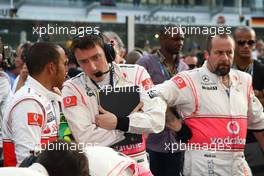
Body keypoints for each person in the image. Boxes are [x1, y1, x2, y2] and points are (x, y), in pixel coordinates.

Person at [151, 34, 264, 175]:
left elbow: (259, 123)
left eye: (229, 52)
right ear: (207, 55)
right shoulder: (189, 79)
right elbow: (153, 94)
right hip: (203, 165)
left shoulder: (244, 80)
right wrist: (176, 125)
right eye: (218, 53)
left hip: (238, 164)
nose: (225, 58)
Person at [61, 34, 167, 171]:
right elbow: (86, 140)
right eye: (83, 62)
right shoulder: (72, 88)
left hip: (138, 166)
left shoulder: (137, 74)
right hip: (101, 168)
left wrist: (119, 122)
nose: (92, 67)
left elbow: (157, 121)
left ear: (108, 53)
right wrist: (132, 125)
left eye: (96, 57)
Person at [2, 42, 68, 166]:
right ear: (52, 68)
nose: (67, 70)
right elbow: (27, 163)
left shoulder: (48, 97)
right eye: (64, 64)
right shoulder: (29, 102)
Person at [136, 24, 188, 176]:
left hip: (178, 142)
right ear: (163, 39)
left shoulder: (184, 68)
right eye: (176, 38)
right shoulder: (144, 64)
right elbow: (139, 97)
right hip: (152, 141)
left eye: (182, 38)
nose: (180, 42)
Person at [233, 26, 264, 174]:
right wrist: (256, 97)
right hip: (227, 138)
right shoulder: (223, 68)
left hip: (255, 139)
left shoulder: (261, 70)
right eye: (241, 42)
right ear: (233, 43)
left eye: (250, 42)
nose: (246, 46)